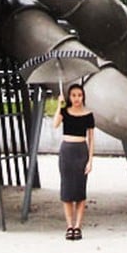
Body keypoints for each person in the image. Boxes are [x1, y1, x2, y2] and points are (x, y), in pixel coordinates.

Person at [52, 82, 94, 240]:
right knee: (67, 191)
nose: (77, 98)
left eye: (79, 95)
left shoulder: (88, 115)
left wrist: (90, 160)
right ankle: (69, 226)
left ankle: (78, 226)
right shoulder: (64, 111)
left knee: (80, 191)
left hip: (81, 151)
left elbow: (91, 139)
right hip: (67, 152)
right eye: (74, 95)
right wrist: (59, 105)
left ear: (83, 97)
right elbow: (55, 124)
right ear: (69, 97)